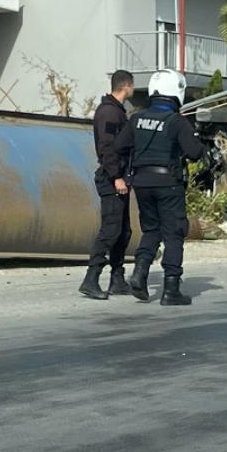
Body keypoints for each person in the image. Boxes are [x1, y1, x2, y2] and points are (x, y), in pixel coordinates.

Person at [115, 69, 206, 305]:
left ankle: (140, 273)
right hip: (168, 184)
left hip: (142, 183)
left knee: (151, 230)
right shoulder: (177, 121)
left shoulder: (136, 118)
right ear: (176, 91)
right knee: (174, 233)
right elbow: (195, 152)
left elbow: (120, 146)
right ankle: (171, 289)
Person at [78, 70, 135, 300]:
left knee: (123, 231)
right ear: (126, 86)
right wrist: (116, 176)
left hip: (119, 178)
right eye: (132, 86)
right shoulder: (109, 112)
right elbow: (107, 147)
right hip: (111, 179)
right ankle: (91, 279)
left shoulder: (117, 110)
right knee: (110, 230)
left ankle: (117, 279)